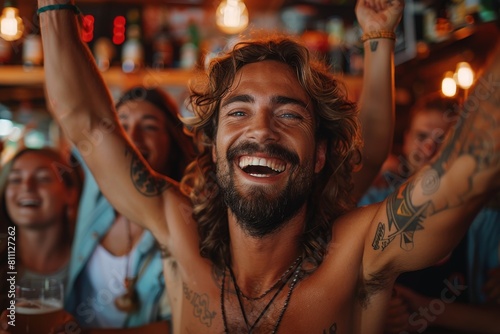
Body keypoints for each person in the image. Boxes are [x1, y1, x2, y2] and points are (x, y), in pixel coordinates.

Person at [31, 0, 500, 333]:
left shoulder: (359, 256)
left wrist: (379, 39)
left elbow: (467, 168)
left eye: (289, 114)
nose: (262, 131)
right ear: (213, 149)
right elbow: (89, 127)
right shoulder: (182, 239)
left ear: (319, 156)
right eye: (238, 112)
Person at [358, 94, 500, 333]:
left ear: (458, 148)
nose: (429, 148)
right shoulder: (370, 204)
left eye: (442, 139)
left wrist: (426, 310)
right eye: (421, 136)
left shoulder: (483, 216)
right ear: (406, 140)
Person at [64, 86, 196, 331]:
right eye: (121, 126)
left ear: (172, 139)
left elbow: (181, 325)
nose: (131, 138)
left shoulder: (189, 218)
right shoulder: (95, 192)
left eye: (149, 126)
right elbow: (74, 108)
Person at [0, 147, 81, 285]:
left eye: (43, 178)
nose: (27, 186)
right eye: (15, 179)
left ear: (70, 193)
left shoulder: (90, 263)